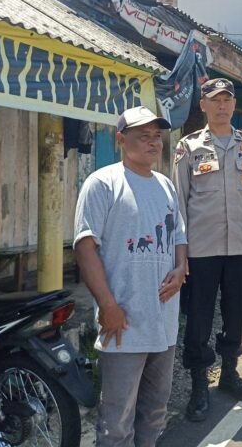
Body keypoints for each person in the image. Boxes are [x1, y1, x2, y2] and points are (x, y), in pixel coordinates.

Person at [74, 105, 188, 447]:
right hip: (123, 323)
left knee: (155, 410)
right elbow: (84, 246)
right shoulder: (103, 183)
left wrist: (181, 268)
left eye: (157, 137)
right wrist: (107, 305)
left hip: (163, 322)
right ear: (121, 139)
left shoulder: (166, 186)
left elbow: (179, 236)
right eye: (144, 136)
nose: (154, 143)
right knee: (117, 420)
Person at [172, 77, 242, 422]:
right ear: (203, 105)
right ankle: (200, 383)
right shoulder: (187, 148)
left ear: (234, 104)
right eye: (215, 99)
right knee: (198, 318)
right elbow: (178, 202)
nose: (222, 105)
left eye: (227, 99)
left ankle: (229, 372)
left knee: (238, 312)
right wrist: (179, 250)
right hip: (200, 250)